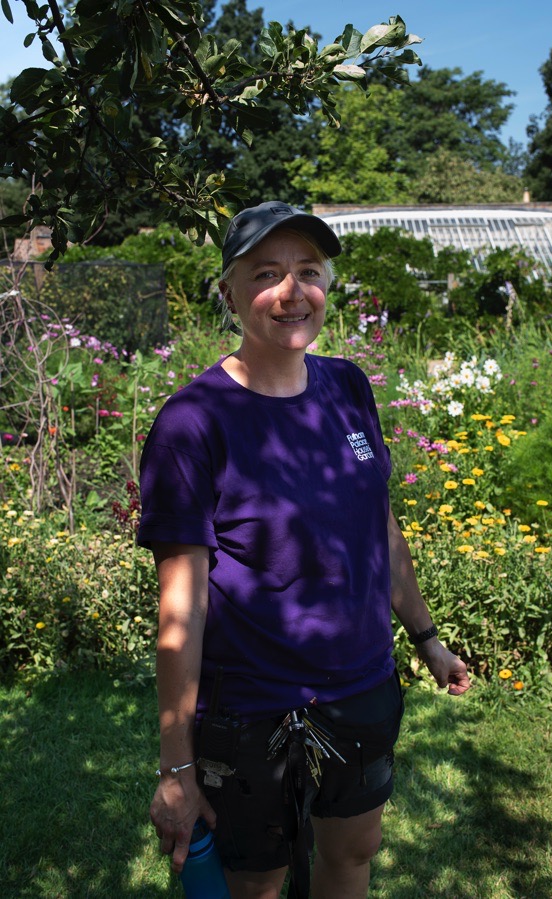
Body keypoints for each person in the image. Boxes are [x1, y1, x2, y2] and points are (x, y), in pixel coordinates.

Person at [138, 201, 471, 899]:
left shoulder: (347, 386)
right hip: (251, 708)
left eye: (309, 272)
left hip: (362, 688)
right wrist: (177, 769)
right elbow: (181, 610)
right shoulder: (193, 423)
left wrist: (427, 637)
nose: (293, 292)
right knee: (258, 882)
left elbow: (378, 525)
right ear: (228, 292)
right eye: (267, 274)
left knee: (353, 854)